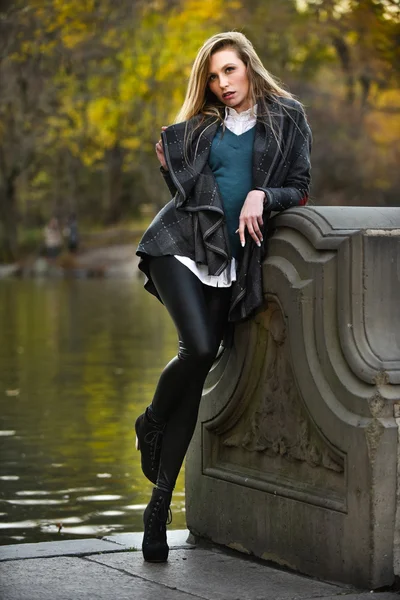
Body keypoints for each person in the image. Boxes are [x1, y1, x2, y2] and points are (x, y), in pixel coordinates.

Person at [135, 31, 312, 563]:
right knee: (199, 346)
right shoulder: (206, 125)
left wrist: (264, 194)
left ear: (249, 67)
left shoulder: (287, 116)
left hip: (230, 259)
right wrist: (173, 156)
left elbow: (301, 186)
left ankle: (157, 509)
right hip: (177, 244)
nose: (222, 84)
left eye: (229, 71)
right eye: (213, 77)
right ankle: (152, 419)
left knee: (202, 360)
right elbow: (187, 191)